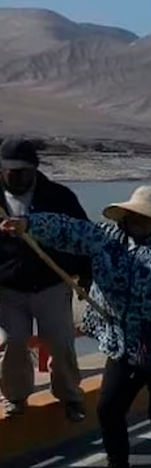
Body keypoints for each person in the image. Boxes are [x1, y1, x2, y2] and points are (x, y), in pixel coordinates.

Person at [2, 185, 151, 468]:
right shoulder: (106, 239)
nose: (138, 221)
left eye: (147, 217)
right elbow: (69, 229)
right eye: (134, 215)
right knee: (108, 408)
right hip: (123, 345)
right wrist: (29, 224)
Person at [0, 139, 91, 421]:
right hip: (8, 289)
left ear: (35, 169)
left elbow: (82, 235)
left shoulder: (58, 196)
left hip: (52, 284)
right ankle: (15, 396)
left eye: (24, 171)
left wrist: (87, 273)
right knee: (13, 343)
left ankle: (70, 396)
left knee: (61, 343)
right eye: (11, 171)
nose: (17, 177)